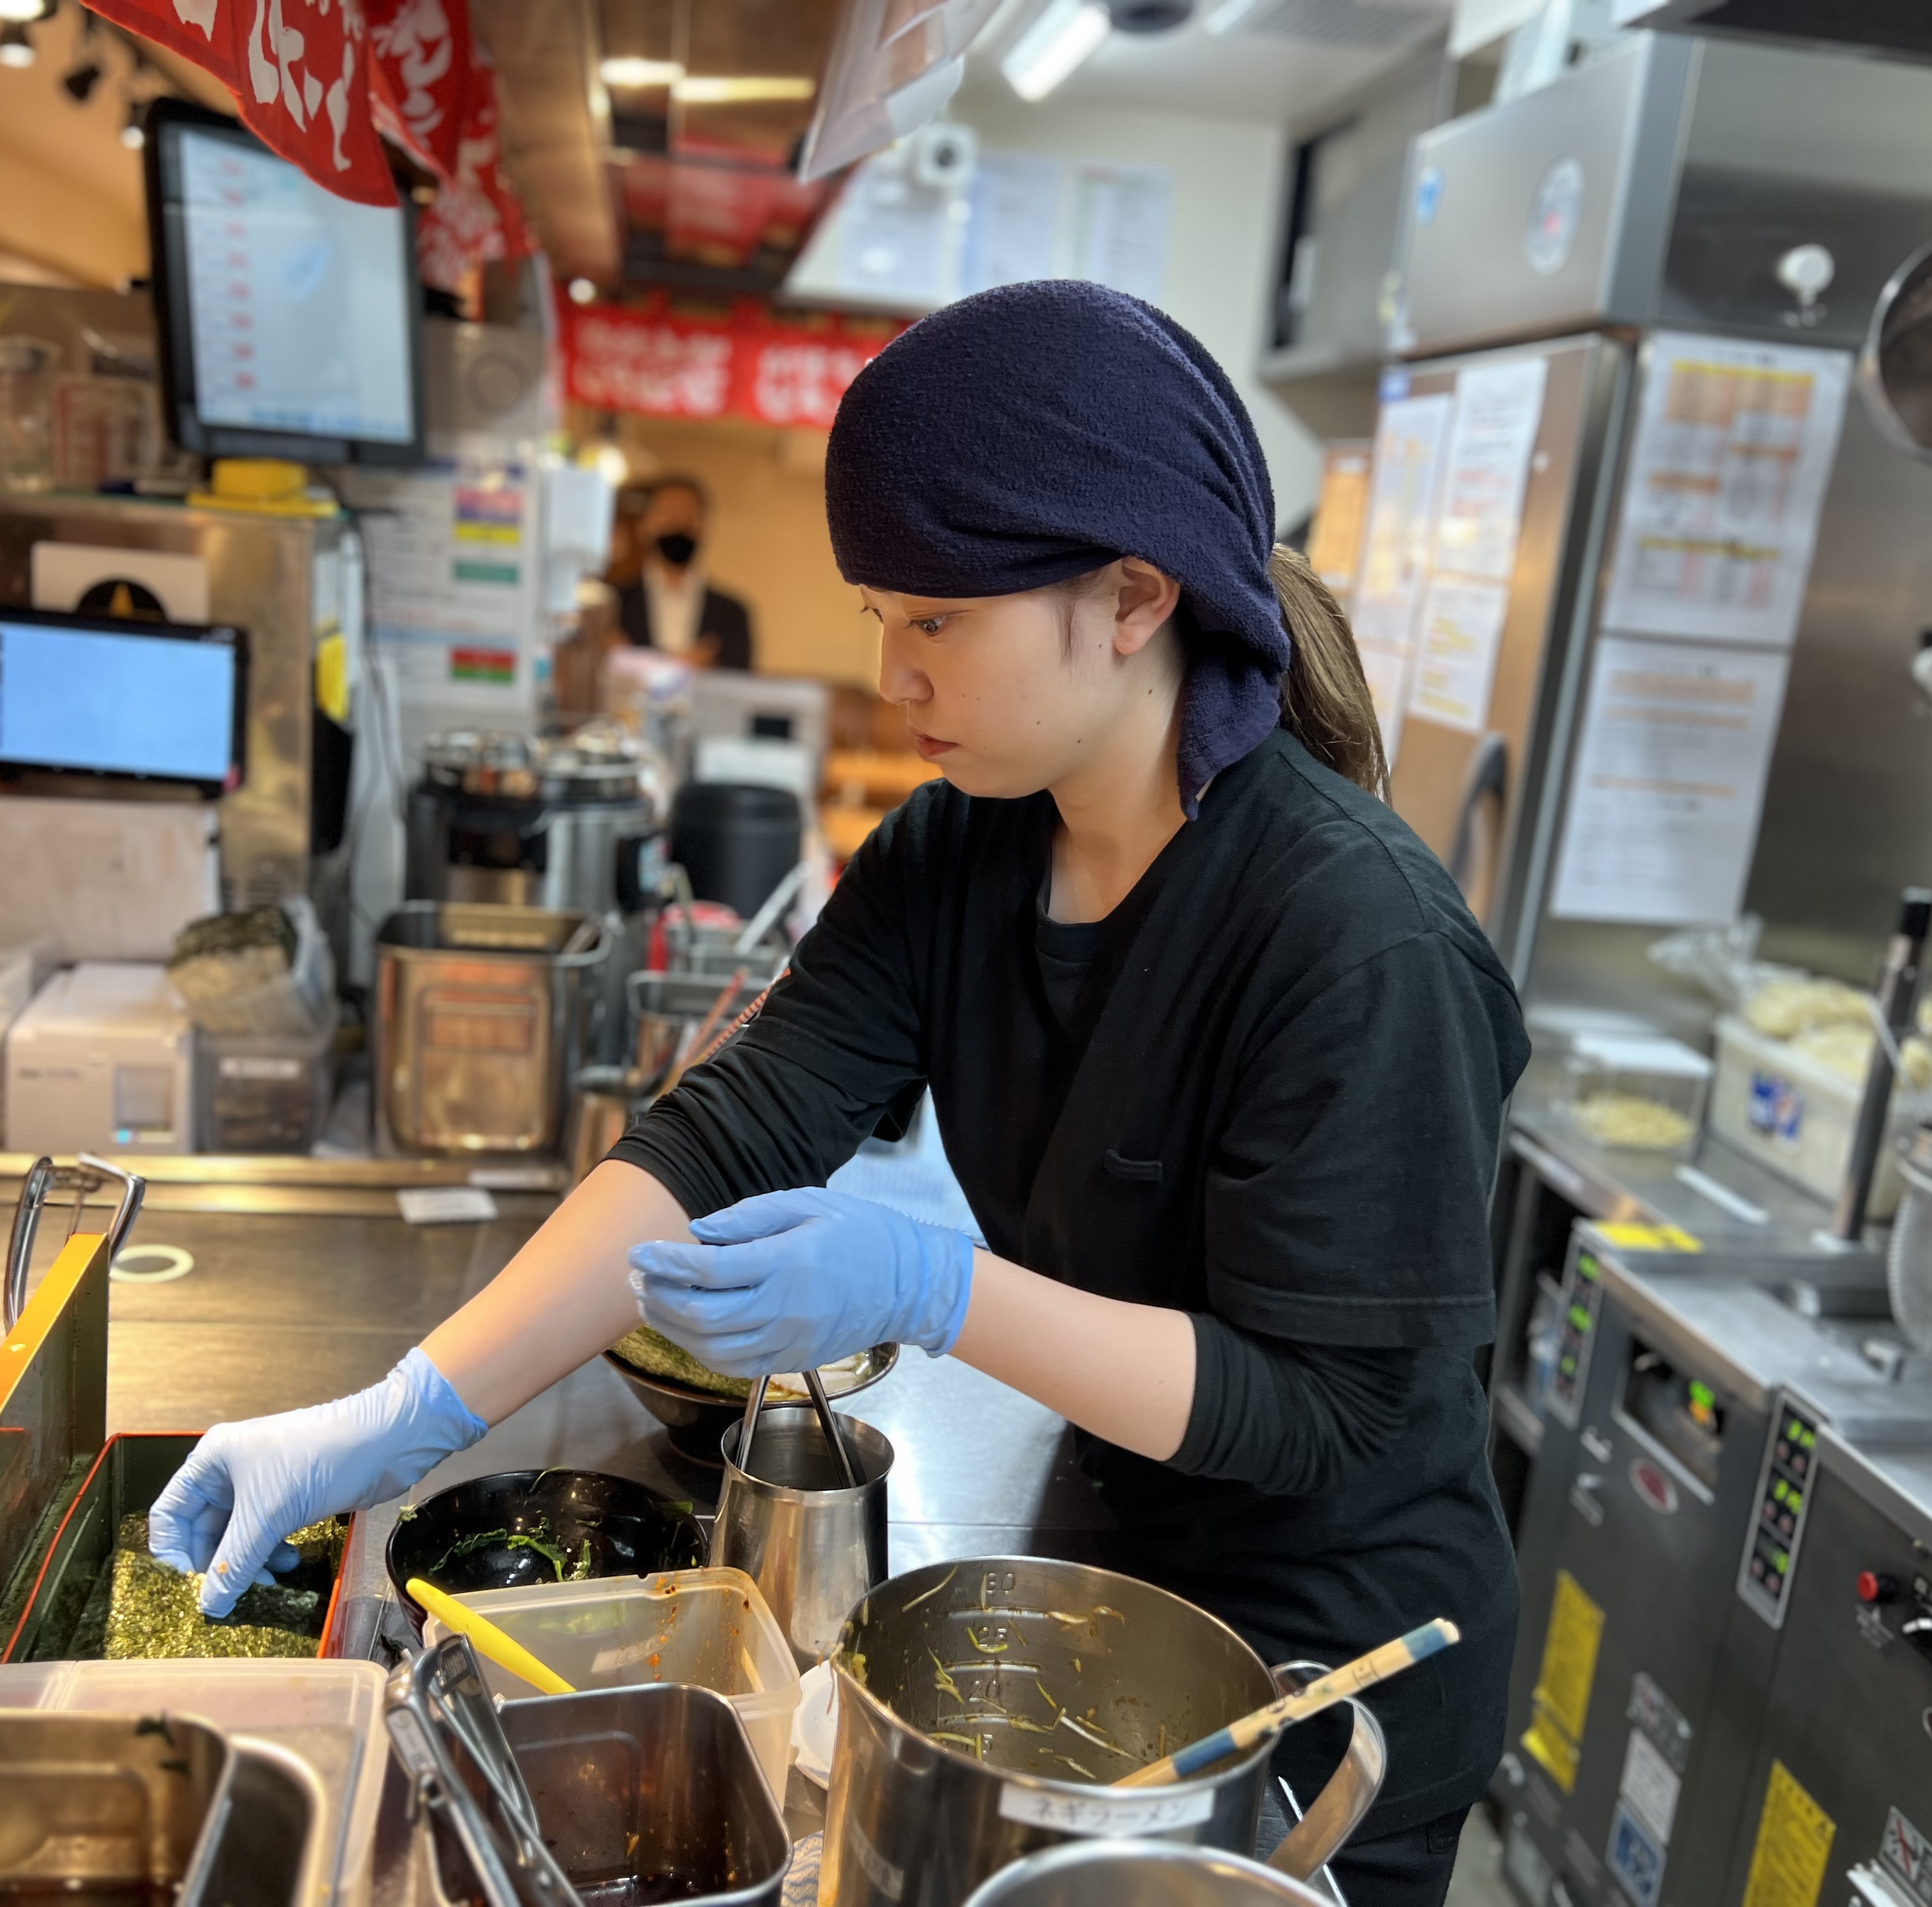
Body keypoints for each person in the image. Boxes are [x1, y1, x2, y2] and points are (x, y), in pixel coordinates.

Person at [151, 283, 1525, 1907]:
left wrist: (931, 1289)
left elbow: (1324, 1409)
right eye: (878, 611)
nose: (891, 674)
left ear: (1135, 598)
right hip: (1113, 1582)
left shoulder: (1352, 937)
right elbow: (728, 1133)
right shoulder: (963, 847)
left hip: (1327, 1686)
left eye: (935, 621)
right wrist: (407, 1415)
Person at [616, 474, 755, 669]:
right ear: (644, 526)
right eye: (669, 513)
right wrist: (679, 666)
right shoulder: (614, 604)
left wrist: (637, 661)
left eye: (689, 514)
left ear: (704, 527)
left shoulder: (732, 614)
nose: (680, 523)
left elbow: (739, 683)